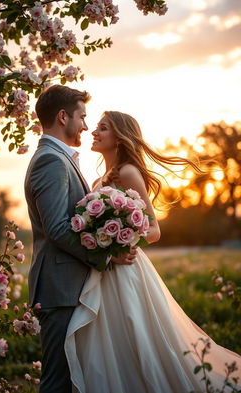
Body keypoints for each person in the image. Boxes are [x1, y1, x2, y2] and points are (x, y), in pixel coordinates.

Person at [64, 111, 241, 393]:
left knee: (138, 336)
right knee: (111, 341)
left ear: (120, 139)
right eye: (96, 127)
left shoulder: (127, 173)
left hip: (126, 270)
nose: (94, 132)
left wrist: (116, 243)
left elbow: (154, 230)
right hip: (105, 269)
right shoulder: (100, 180)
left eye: (103, 128)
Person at [24, 88, 136, 393]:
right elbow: (58, 229)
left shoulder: (59, 159)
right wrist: (107, 257)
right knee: (58, 381)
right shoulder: (51, 161)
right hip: (60, 288)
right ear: (63, 117)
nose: (86, 126)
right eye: (83, 116)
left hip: (69, 287)